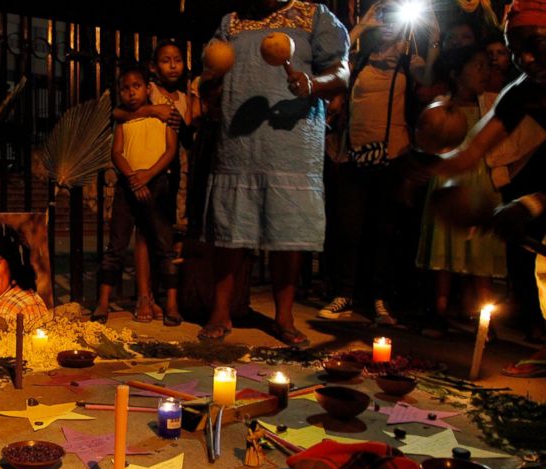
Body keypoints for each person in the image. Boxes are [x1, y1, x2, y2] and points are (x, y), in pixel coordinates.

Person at [198, 0, 349, 346]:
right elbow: (210, 75)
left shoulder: (315, 15)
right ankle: (221, 311)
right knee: (229, 230)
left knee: (287, 230)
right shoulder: (231, 21)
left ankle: (284, 316)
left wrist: (312, 84)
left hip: (292, 141)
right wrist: (211, 81)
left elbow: (341, 73)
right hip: (239, 141)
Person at [414, 0, 546, 376]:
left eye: (535, 45)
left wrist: (533, 204)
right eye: (515, 49)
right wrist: (426, 162)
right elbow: (472, 150)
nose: (526, 59)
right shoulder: (522, 90)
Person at [319, 0, 436, 327]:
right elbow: (334, 66)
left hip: (393, 155)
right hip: (355, 153)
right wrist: (361, 26)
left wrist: (434, 36)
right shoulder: (358, 60)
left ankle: (379, 299)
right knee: (349, 229)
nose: (387, 25)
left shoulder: (409, 60)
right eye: (383, 18)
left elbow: (427, 77)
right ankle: (344, 293)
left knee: (384, 231)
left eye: (393, 19)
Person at [416, 46, 506, 337]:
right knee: (445, 248)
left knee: (480, 252)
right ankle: (439, 311)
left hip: (480, 180)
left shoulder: (493, 104)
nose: (485, 72)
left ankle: (485, 318)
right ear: (456, 74)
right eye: (477, 66)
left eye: (487, 66)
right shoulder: (441, 107)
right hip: (450, 181)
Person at [93, 65, 180, 326]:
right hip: (127, 186)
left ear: (147, 88)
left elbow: (170, 150)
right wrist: (133, 177)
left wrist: (148, 175)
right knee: (116, 245)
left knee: (164, 245)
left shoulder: (164, 116)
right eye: (125, 88)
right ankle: (103, 302)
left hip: (157, 184)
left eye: (136, 86)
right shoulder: (123, 120)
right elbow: (116, 153)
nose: (131, 92)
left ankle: (171, 304)